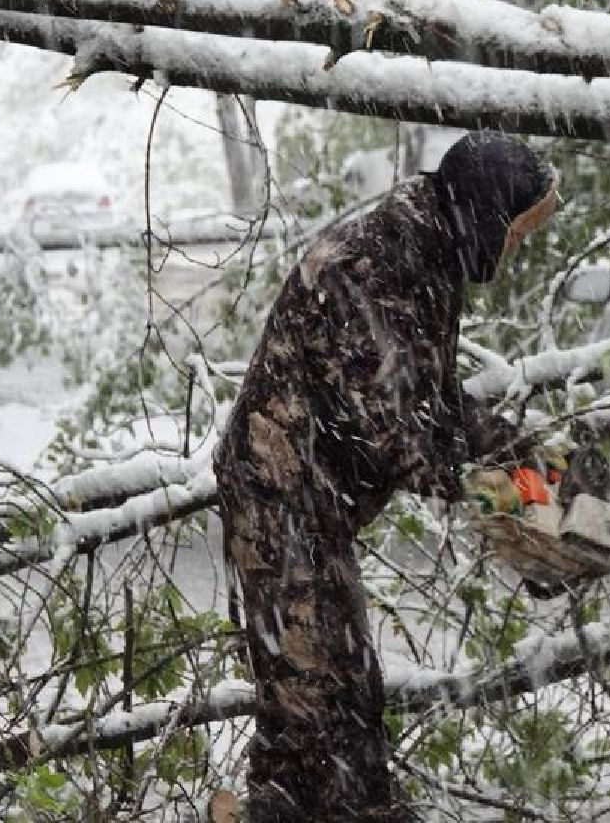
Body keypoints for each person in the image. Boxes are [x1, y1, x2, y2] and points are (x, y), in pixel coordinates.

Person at [214, 130, 558, 821]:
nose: (517, 247)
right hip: (282, 494)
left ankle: (301, 808)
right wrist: (519, 503)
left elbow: (432, 396)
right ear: (487, 214)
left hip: (312, 499)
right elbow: (408, 435)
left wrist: (526, 464)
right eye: (518, 229)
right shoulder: (378, 263)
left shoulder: (424, 245)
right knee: (321, 712)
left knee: (328, 704)